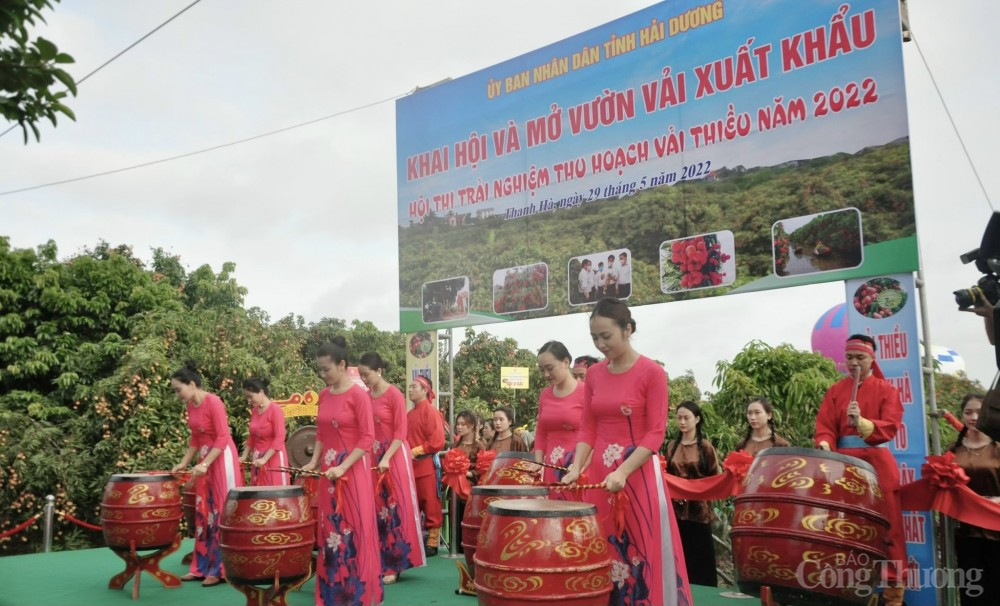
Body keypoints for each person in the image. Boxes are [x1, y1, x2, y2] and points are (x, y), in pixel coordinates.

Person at [560, 297, 692, 604]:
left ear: (627, 329)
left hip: (637, 474)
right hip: (601, 474)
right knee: (602, 545)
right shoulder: (594, 374)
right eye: (594, 337)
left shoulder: (651, 372)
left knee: (639, 546)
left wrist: (623, 470)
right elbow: (588, 427)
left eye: (606, 336)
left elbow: (656, 433)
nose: (600, 344)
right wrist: (576, 467)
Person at [814, 334, 906, 606]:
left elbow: (891, 425)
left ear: (872, 358)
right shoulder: (835, 390)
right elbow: (825, 425)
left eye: (860, 357)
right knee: (843, 525)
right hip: (843, 465)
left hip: (877, 464)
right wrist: (825, 444)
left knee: (888, 526)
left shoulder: (887, 390)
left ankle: (892, 596)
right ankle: (847, 589)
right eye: (849, 357)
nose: (853, 363)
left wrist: (863, 423)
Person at [301, 338, 382, 606]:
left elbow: (367, 438)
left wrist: (344, 466)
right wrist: (314, 462)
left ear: (343, 365)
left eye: (326, 369)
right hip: (329, 473)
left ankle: (358, 594)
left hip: (352, 473)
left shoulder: (359, 395)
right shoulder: (324, 395)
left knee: (353, 528)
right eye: (320, 369)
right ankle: (332, 593)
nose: (322, 374)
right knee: (330, 529)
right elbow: (321, 433)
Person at [169, 362, 243, 588]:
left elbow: (222, 437)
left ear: (192, 384)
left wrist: (206, 463)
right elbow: (195, 438)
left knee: (220, 510)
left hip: (221, 458)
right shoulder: (191, 405)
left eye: (178, 390)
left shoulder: (214, 402)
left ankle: (221, 569)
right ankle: (201, 566)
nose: (177, 395)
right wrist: (184, 463)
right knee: (203, 511)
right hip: (205, 460)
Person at [358, 352, 425, 584]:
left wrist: (386, 458)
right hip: (373, 457)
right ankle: (379, 561)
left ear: (379, 371)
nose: (363, 379)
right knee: (377, 509)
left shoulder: (394, 394)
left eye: (366, 374)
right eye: (360, 375)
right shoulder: (365, 397)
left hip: (394, 456)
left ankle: (395, 564)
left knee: (395, 507)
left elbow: (400, 432)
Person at [948, 393, 1000, 606]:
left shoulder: (998, 447)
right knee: (971, 588)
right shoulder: (954, 450)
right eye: (968, 412)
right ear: (962, 415)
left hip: (996, 527)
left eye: (979, 412)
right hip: (965, 529)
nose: (974, 417)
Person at [664, 401, 721, 587]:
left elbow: (715, 477)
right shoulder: (672, 446)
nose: (682, 422)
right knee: (679, 554)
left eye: (686, 418)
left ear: (697, 419)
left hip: (699, 510)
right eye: (679, 418)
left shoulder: (705, 447)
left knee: (701, 557)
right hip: (676, 510)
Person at [534, 340, 586, 483]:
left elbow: (594, 433)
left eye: (550, 368)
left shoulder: (585, 392)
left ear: (566, 362)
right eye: (542, 370)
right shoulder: (545, 395)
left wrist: (579, 466)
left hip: (578, 467)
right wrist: (538, 462)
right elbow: (541, 431)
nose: (546, 374)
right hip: (551, 466)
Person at [406, 375, 445, 557]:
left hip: (427, 465)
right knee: (412, 504)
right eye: (409, 387)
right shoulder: (409, 414)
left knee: (430, 502)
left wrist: (415, 451)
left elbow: (438, 441)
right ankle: (415, 539)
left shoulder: (431, 412)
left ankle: (432, 542)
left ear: (425, 390)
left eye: (414, 386)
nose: (410, 390)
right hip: (410, 467)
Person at [239, 377, 289, 487]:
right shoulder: (255, 411)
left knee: (273, 492)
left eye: (250, 396)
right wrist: (244, 456)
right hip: (258, 459)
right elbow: (252, 436)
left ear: (261, 392)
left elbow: (280, 437)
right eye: (247, 397)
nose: (248, 400)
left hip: (273, 458)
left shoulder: (275, 409)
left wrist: (265, 458)